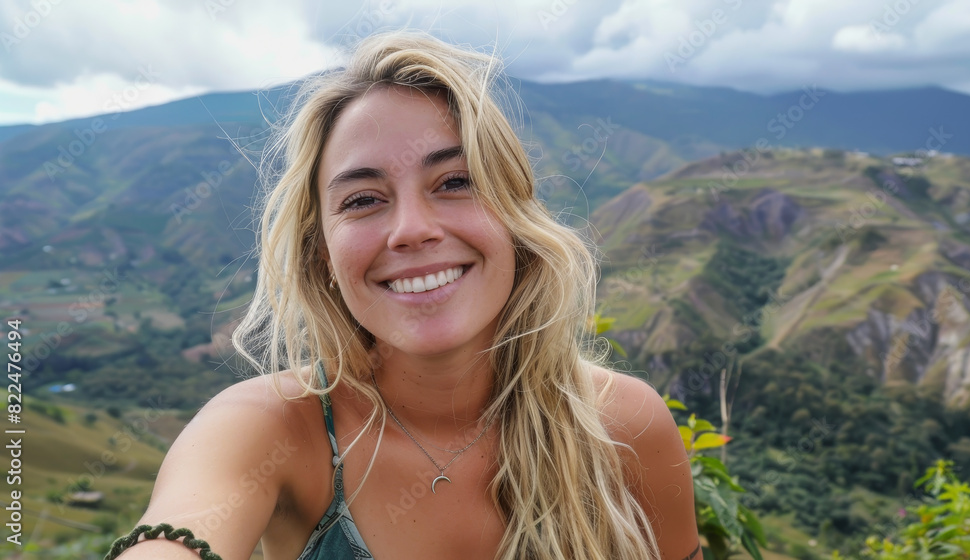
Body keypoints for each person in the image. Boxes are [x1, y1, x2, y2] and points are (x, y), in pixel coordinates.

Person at [107, 30, 699, 560]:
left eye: (456, 182)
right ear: (324, 256)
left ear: (515, 222)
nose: (412, 229)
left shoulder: (624, 425)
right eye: (363, 199)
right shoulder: (268, 429)